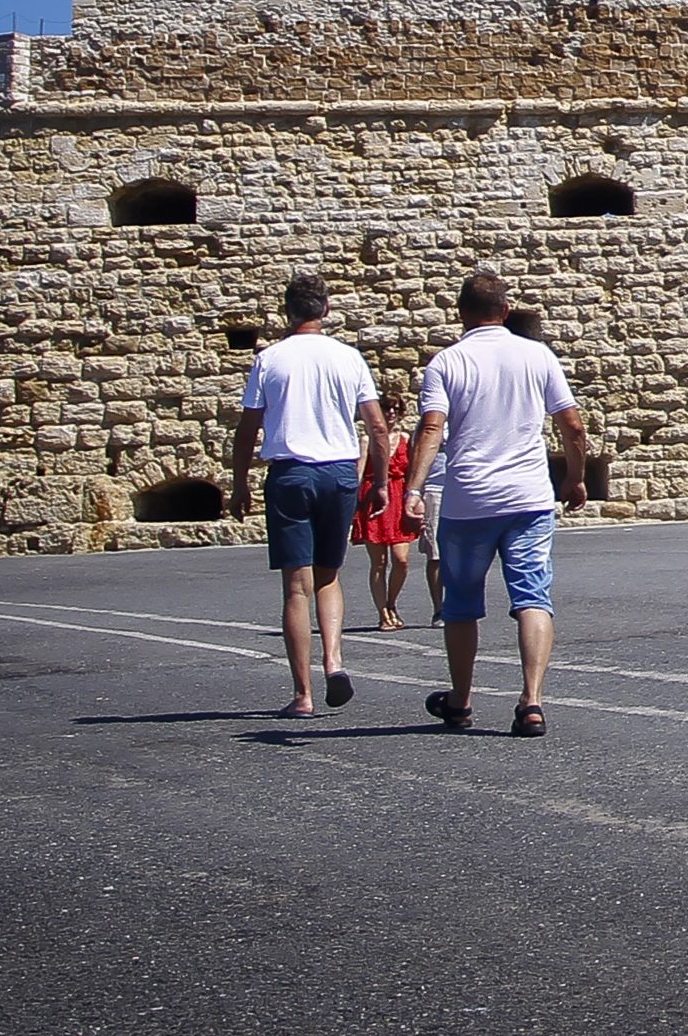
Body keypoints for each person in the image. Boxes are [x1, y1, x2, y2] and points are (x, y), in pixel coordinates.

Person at [404, 272, 589, 738]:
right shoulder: (537, 355)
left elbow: (431, 430)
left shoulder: (447, 362)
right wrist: (575, 476)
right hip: (528, 497)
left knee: (461, 603)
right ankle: (531, 701)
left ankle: (461, 701)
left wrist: (413, 489)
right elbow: (572, 424)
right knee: (532, 597)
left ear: (461, 313)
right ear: (505, 312)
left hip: (469, 500)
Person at [229, 272, 390, 717]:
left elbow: (249, 428)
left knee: (296, 588)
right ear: (325, 310)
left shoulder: (270, 360)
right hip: (338, 472)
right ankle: (334, 660)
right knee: (329, 576)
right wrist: (378, 481)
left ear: (288, 311)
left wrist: (240, 481)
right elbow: (377, 426)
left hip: (291, 473)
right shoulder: (349, 357)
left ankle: (302, 694)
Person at [350, 393, 418, 629]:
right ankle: (383, 613)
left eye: (396, 409)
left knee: (401, 560)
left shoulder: (406, 438)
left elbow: (411, 472)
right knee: (378, 562)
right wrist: (352, 506)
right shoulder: (366, 439)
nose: (391, 413)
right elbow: (359, 473)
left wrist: (414, 497)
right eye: (387, 408)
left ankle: (391, 602)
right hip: (372, 498)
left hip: (398, 498)